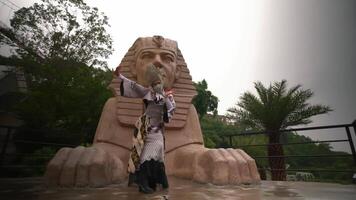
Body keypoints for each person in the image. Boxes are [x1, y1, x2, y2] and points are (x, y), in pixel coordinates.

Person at [114, 62, 175, 193]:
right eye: (153, 83)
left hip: (158, 132)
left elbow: (170, 112)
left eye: (158, 82)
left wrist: (166, 98)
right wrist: (120, 75)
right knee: (145, 156)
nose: (156, 85)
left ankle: (152, 183)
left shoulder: (167, 96)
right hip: (145, 130)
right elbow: (133, 86)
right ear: (151, 84)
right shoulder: (147, 92)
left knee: (158, 156)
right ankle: (142, 183)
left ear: (161, 82)